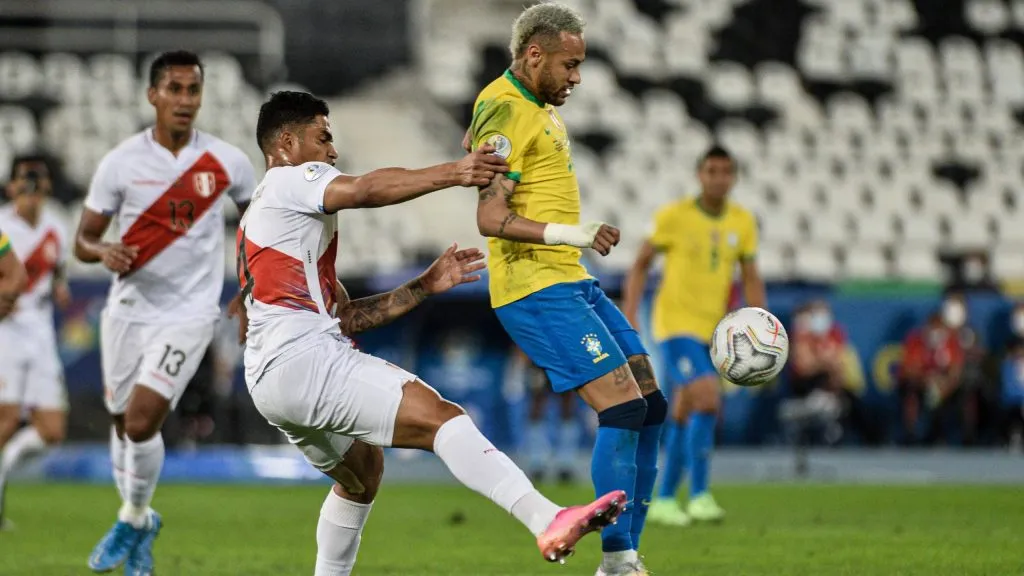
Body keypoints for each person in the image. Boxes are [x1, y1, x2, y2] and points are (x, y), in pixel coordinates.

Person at [237, 90, 626, 576]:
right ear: (288, 142)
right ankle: (547, 518)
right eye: (323, 138)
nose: (332, 152)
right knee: (444, 418)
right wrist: (455, 172)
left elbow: (346, 317)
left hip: (270, 379)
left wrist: (423, 286)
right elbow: (364, 190)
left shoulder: (270, 223)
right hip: (303, 358)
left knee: (363, 475)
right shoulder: (290, 181)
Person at [465, 5, 667, 575]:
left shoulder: (534, 107)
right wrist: (571, 233)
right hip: (533, 282)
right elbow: (489, 217)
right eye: (569, 65)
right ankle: (618, 560)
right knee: (623, 407)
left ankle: (627, 555)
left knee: (650, 404)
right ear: (534, 54)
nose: (576, 77)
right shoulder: (506, 106)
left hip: (570, 277)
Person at [75, 50, 257, 575]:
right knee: (123, 424)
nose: (184, 100)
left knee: (140, 420)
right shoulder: (120, 163)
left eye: (193, 89)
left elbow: (258, 228)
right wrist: (102, 250)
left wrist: (249, 287)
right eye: (174, 89)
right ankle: (141, 519)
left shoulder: (227, 162)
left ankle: (131, 519)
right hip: (129, 311)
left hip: (192, 312)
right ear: (152, 94)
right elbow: (82, 240)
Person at [622, 145, 765, 527]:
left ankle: (666, 499)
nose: (719, 178)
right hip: (675, 326)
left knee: (686, 411)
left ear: (733, 177)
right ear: (699, 175)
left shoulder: (743, 221)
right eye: (712, 170)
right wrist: (630, 316)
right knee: (707, 399)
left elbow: (750, 275)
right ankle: (700, 494)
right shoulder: (674, 217)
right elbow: (640, 264)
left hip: (715, 330)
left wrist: (760, 322)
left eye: (726, 171)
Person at [0, 155, 72, 529]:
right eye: (23, 184)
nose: (31, 192)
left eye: (37, 183)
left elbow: (56, 271)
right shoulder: (1, 226)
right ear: (11, 187)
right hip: (6, 334)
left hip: (41, 334)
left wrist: (59, 288)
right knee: (6, 420)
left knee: (52, 430)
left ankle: (5, 469)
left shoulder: (56, 227)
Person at [513, 347, 580, 483]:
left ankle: (565, 461)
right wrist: (517, 368)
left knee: (567, 408)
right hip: (540, 360)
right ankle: (537, 460)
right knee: (537, 408)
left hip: (564, 360)